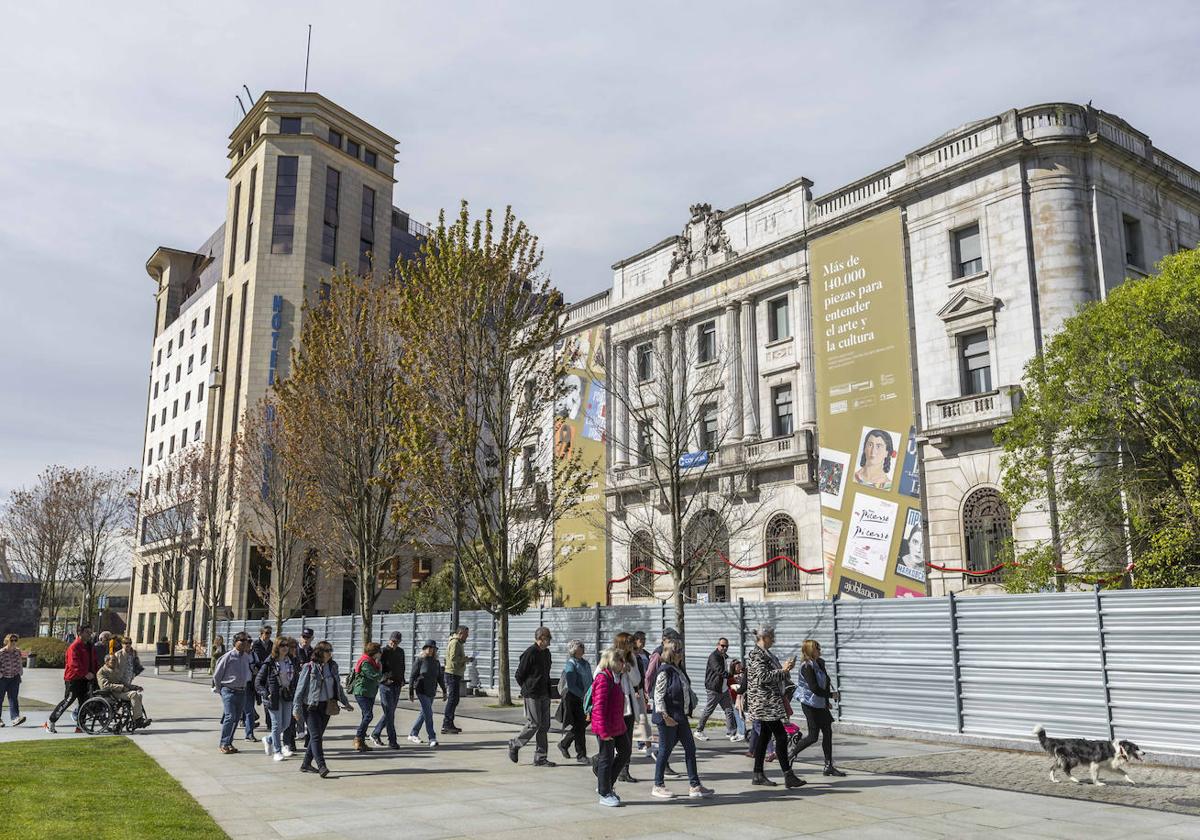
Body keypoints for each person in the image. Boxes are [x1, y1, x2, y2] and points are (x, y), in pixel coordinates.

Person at [651, 638, 714, 800]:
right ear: (671, 653)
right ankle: (658, 785)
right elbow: (658, 697)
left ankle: (695, 786)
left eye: (681, 650)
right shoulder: (665, 671)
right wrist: (665, 717)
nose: (682, 654)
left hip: (680, 716)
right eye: (678, 651)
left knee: (690, 749)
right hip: (668, 717)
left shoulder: (678, 669)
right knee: (665, 751)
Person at [745, 625, 804, 788]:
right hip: (765, 704)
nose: (774, 640)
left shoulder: (766, 654)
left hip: (770, 702)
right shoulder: (756, 654)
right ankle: (788, 775)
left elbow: (773, 674)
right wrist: (784, 670)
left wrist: (786, 670)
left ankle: (758, 774)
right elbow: (763, 677)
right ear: (764, 637)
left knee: (764, 737)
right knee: (781, 736)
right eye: (772, 637)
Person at [293, 640, 352, 777]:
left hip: (327, 706)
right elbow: (299, 690)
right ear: (320, 652)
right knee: (316, 736)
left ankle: (306, 764)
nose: (330, 653)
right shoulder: (309, 667)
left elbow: (338, 687)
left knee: (316, 736)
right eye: (327, 650)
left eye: (331, 650)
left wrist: (345, 702)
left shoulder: (333, 666)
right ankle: (322, 766)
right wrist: (296, 709)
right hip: (311, 706)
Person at [788, 639, 846, 777]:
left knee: (828, 733)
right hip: (809, 703)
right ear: (810, 650)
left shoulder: (820, 663)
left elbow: (825, 684)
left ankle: (828, 766)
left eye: (819, 647)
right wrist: (831, 695)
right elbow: (814, 688)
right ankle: (791, 754)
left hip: (820, 703)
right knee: (813, 736)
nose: (820, 650)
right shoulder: (806, 666)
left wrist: (826, 701)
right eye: (817, 648)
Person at [509, 626, 554, 766]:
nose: (550, 641)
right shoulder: (530, 652)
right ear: (541, 639)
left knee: (544, 725)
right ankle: (515, 744)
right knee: (534, 724)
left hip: (544, 693)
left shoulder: (546, 653)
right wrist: (527, 688)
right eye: (548, 638)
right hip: (532, 694)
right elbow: (519, 674)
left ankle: (540, 757)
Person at [590, 646, 630, 807]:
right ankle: (604, 792)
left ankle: (606, 784)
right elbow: (598, 707)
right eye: (621, 660)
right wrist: (603, 731)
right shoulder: (603, 678)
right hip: (606, 726)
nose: (624, 663)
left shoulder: (616, 677)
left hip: (617, 724)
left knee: (625, 751)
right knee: (606, 758)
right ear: (613, 661)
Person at [45, 624, 96, 733]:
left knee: (84, 702)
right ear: (80, 633)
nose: (89, 634)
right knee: (68, 700)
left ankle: (80, 726)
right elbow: (73, 664)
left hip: (85, 680)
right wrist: (85, 673)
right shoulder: (74, 646)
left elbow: (93, 661)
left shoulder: (89, 646)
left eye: (90, 632)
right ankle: (51, 721)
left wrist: (94, 673)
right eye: (87, 632)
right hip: (73, 679)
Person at [256, 637, 297, 761]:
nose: (285, 647)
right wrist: (265, 693)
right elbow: (258, 682)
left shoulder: (291, 661)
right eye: (281, 645)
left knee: (286, 723)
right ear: (276, 647)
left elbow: (295, 678)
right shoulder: (270, 662)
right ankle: (277, 751)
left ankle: (268, 739)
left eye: (286, 645)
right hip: (273, 697)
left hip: (287, 695)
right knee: (276, 724)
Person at [213, 632, 254, 753]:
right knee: (230, 716)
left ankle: (229, 742)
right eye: (242, 640)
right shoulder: (228, 656)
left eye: (246, 640)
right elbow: (217, 675)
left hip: (241, 691)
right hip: (228, 690)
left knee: (236, 718)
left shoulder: (246, 657)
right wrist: (221, 690)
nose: (245, 642)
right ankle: (223, 744)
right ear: (235, 642)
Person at [557, 639, 592, 764]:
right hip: (576, 699)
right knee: (580, 727)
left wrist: (592, 693)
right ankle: (581, 755)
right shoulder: (571, 664)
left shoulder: (585, 663)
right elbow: (571, 685)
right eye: (579, 648)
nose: (582, 649)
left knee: (582, 725)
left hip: (587, 698)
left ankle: (564, 743)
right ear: (573, 650)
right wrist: (583, 695)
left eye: (582, 647)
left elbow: (591, 680)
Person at [694, 638, 736, 741]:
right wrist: (731, 676)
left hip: (723, 689)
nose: (725, 648)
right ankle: (698, 731)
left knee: (729, 710)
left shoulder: (723, 657)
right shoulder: (714, 657)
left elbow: (725, 671)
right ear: (718, 645)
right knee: (709, 710)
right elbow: (719, 671)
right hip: (714, 689)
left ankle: (732, 733)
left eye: (727, 646)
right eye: (722, 645)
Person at [370, 631, 405, 749]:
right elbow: (377, 667)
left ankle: (375, 733)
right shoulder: (383, 651)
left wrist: (402, 679)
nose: (394, 643)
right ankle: (392, 740)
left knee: (390, 712)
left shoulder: (400, 652)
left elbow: (402, 666)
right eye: (392, 641)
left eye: (396, 641)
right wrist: (383, 680)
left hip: (397, 684)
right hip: (386, 685)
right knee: (390, 713)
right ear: (389, 640)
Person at [408, 640, 445, 746]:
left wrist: (444, 691)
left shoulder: (436, 662)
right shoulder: (420, 661)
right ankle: (432, 737)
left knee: (424, 713)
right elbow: (412, 676)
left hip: (431, 690)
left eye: (432, 648)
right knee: (429, 713)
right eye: (427, 647)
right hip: (421, 690)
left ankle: (413, 733)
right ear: (424, 649)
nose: (430, 649)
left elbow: (440, 678)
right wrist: (411, 691)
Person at [97, 653, 149, 727]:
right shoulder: (102, 672)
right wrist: (121, 687)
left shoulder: (115, 670)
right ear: (107, 662)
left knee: (139, 695)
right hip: (111, 693)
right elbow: (105, 686)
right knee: (134, 694)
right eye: (113, 661)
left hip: (119, 692)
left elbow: (123, 682)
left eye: (116, 661)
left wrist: (135, 687)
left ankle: (138, 718)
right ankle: (138, 720)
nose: (115, 663)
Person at [350, 641, 382, 752]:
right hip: (362, 692)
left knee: (365, 716)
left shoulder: (372, 661)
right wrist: (380, 669)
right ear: (374, 652)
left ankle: (361, 742)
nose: (380, 653)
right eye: (379, 651)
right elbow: (374, 675)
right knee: (368, 716)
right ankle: (358, 737)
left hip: (370, 692)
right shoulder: (366, 662)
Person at [442, 625, 471, 734]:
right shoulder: (455, 643)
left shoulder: (458, 643)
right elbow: (453, 658)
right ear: (461, 633)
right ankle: (446, 724)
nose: (467, 637)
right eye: (466, 634)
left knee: (455, 700)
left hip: (455, 673)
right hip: (452, 673)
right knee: (453, 700)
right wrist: (466, 659)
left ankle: (449, 723)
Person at [247, 625, 273, 741]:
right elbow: (256, 660)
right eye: (266, 633)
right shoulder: (256, 644)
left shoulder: (272, 644)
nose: (268, 635)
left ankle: (269, 723)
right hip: (257, 677)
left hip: (268, 675)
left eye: (270, 633)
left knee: (267, 699)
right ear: (261, 633)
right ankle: (248, 726)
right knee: (249, 703)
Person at [0, 634, 27, 727]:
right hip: (2, 678)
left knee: (13, 699)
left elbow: (19, 662)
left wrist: (20, 671)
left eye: (15, 640)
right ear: (7, 641)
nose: (14, 642)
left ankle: (15, 718)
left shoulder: (17, 651)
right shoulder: (2, 652)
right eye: (12, 640)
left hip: (14, 678)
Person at [728, 659, 747, 741]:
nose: (740, 667)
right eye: (738, 666)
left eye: (740, 665)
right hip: (735, 699)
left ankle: (742, 732)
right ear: (733, 668)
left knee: (741, 715)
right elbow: (731, 687)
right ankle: (741, 732)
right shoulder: (731, 677)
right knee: (738, 716)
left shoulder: (743, 674)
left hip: (743, 698)